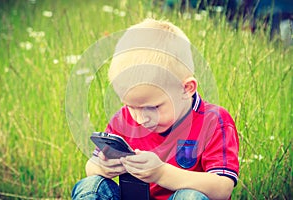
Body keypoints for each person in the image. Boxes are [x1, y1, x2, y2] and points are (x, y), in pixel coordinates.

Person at [71, 18, 239, 200]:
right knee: (92, 185)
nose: (141, 118)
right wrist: (103, 168)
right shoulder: (123, 119)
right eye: (131, 106)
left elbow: (223, 189)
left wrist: (161, 173)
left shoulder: (213, 121)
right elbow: (92, 167)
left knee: (191, 197)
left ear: (186, 89)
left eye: (152, 107)